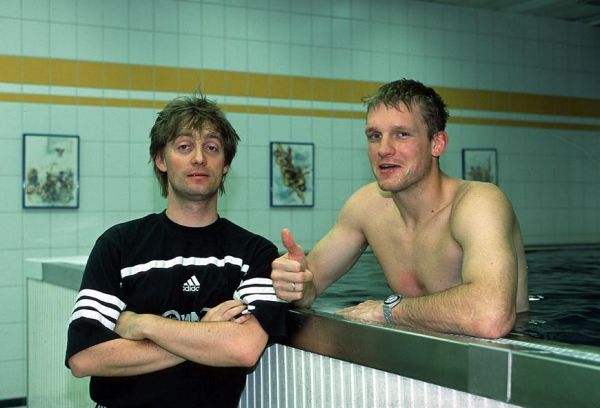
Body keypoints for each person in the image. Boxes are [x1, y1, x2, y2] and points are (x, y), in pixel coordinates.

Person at [66, 93, 287, 407]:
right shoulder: (118, 245)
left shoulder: (254, 253)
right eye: (184, 146)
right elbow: (84, 357)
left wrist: (143, 324)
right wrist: (205, 334)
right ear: (161, 159)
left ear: (225, 164)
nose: (199, 158)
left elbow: (243, 348)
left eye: (212, 148)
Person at [272, 79, 529, 339]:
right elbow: (309, 286)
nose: (384, 149)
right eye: (375, 136)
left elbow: (490, 317)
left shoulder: (478, 203)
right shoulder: (367, 206)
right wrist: (294, 284)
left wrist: (386, 310)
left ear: (437, 143)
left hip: (514, 348)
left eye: (401, 134)